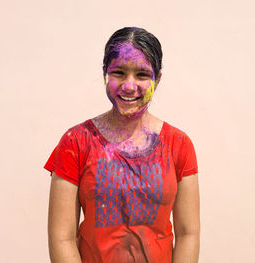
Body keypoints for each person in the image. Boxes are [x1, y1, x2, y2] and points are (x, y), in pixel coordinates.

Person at [44, 27, 200, 263]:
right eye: (119, 72)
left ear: (157, 79)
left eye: (142, 75)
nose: (129, 85)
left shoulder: (178, 144)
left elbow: (188, 233)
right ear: (105, 73)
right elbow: (61, 238)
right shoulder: (75, 142)